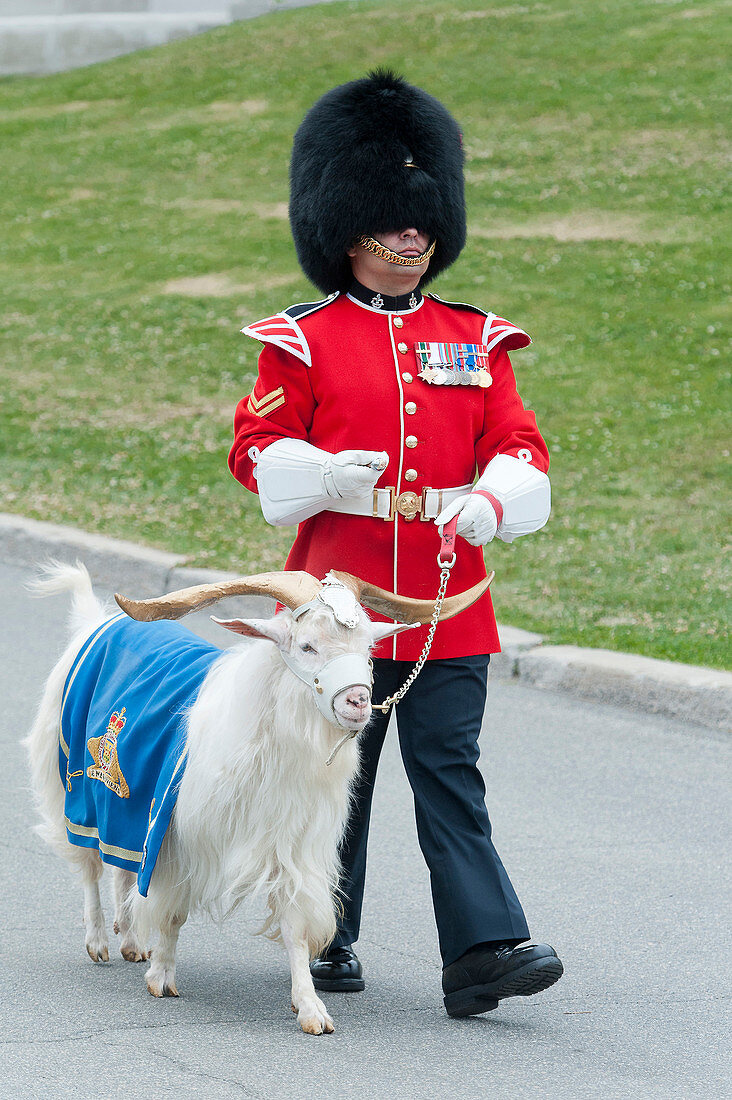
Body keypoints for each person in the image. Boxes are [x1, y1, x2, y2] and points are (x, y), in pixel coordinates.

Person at [228, 70, 563, 1018]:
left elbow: (519, 444)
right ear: (349, 227)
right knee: (341, 776)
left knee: (449, 773)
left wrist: (491, 501)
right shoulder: (303, 341)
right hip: (338, 609)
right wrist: (331, 474)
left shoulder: (475, 338)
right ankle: (325, 939)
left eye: (423, 223)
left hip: (451, 604)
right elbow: (253, 453)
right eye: (392, 222)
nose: (412, 238)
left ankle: (485, 950)